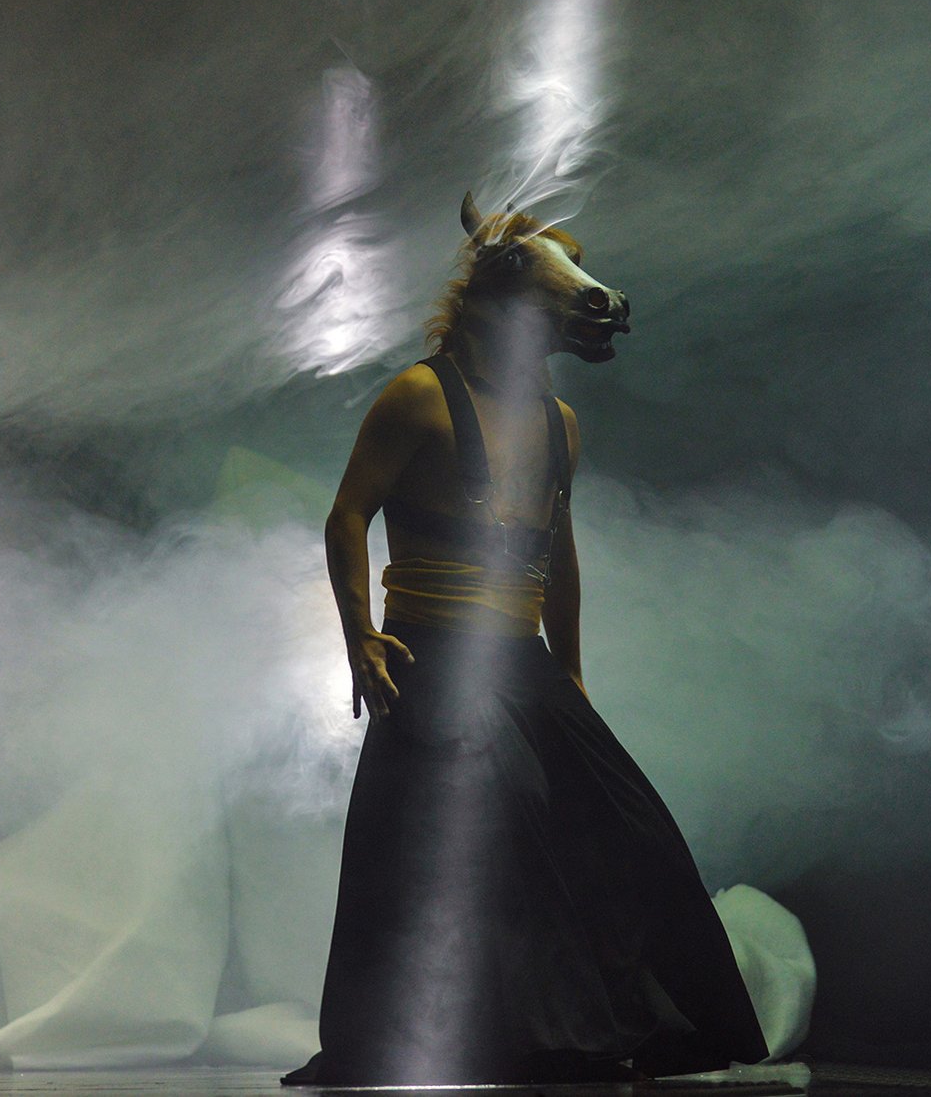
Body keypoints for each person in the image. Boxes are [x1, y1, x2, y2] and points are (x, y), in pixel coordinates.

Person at [282, 195, 766, 1085]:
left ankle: (623, 1022)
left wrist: (568, 671)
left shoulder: (558, 423)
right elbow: (347, 515)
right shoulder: (417, 397)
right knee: (493, 827)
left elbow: (557, 551)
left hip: (520, 659)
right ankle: (518, 1036)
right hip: (431, 654)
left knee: (627, 827)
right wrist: (362, 640)